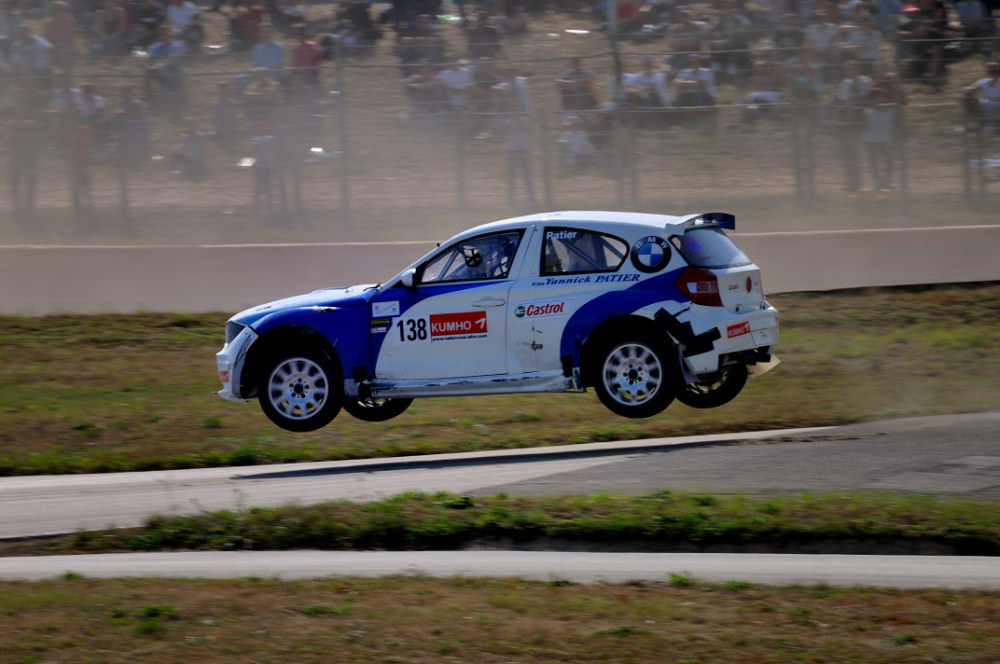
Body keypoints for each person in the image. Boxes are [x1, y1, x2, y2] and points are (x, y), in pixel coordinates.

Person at [861, 87, 897, 193]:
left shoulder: (888, 111)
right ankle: (877, 183)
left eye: (881, 97)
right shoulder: (867, 112)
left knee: (889, 161)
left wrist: (886, 106)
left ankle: (885, 182)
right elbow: (864, 125)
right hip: (870, 141)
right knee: (874, 162)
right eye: (878, 97)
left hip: (883, 141)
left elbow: (899, 105)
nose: (881, 99)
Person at [502, 99, 534, 205]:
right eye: (511, 108)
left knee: (527, 176)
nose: (513, 110)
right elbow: (505, 132)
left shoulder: (524, 119)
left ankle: (531, 200)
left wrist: (517, 119)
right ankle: (511, 201)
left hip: (522, 150)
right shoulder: (508, 121)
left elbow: (526, 129)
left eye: (515, 108)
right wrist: (511, 119)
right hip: (512, 151)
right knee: (512, 177)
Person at [556, 55, 598, 120]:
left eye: (577, 62)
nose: (576, 64)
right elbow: (558, 83)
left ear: (581, 62)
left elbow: (586, 83)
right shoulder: (566, 73)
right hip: (570, 105)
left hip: (585, 105)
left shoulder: (586, 73)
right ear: (571, 63)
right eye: (574, 62)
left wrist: (568, 85)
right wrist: (575, 83)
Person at [964, 60, 1000, 133]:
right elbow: (973, 89)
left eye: (995, 71)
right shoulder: (983, 82)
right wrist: (968, 90)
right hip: (984, 109)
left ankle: (987, 128)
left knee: (993, 111)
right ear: (987, 72)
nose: (993, 74)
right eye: (991, 72)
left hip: (997, 109)